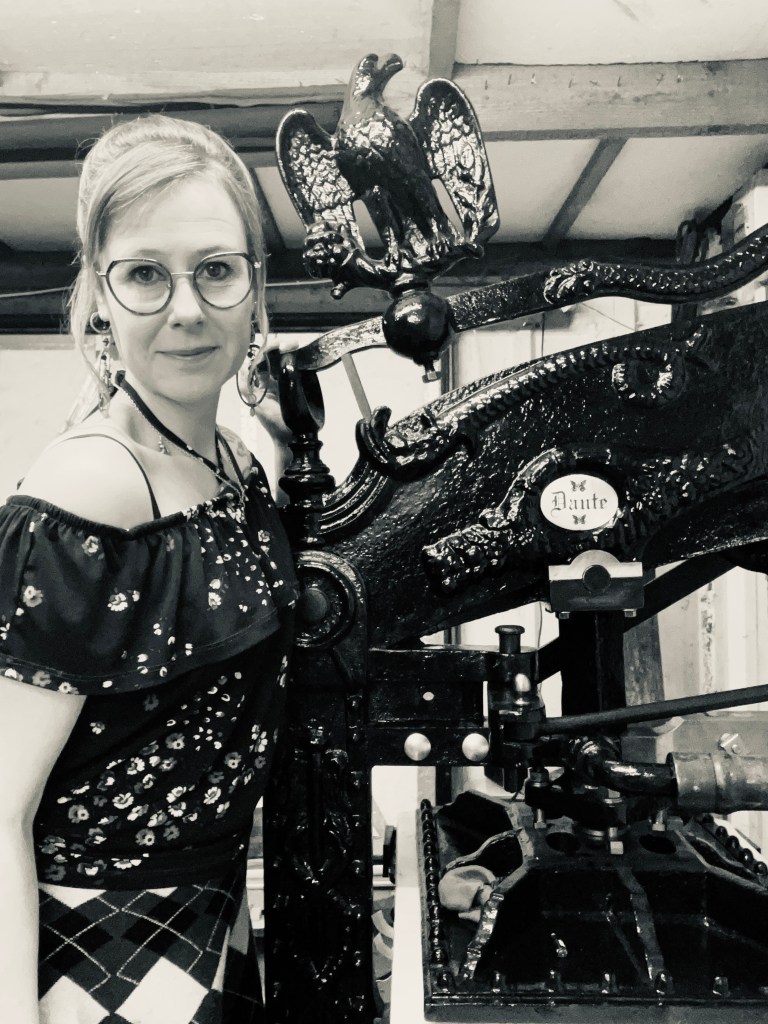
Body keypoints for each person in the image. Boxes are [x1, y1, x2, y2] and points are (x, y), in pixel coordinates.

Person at [0, 114, 298, 1024]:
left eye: (216, 269)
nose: (187, 309)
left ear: (255, 287)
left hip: (214, 922)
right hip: (100, 959)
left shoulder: (236, 461)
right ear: (100, 294)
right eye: (144, 274)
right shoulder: (91, 487)